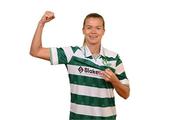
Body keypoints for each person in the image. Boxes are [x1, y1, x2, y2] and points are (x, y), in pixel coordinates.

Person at [30, 11, 130, 120]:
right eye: (89, 27)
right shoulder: (71, 54)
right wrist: (41, 23)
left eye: (98, 28)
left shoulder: (114, 58)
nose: (93, 32)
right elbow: (36, 51)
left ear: (103, 31)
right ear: (83, 30)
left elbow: (126, 94)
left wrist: (114, 81)